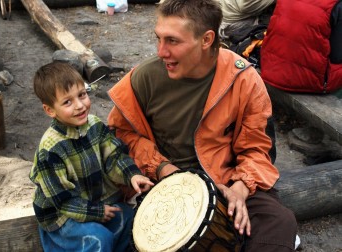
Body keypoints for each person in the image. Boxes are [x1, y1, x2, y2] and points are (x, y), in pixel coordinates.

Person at [107, 0, 297, 251]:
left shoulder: (242, 79)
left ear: (206, 40)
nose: (161, 51)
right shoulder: (145, 78)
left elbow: (258, 149)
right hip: (168, 187)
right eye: (158, 38)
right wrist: (163, 169)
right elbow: (120, 135)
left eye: (172, 41)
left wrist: (241, 188)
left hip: (227, 181)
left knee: (278, 223)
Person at [30, 61, 154, 252]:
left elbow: (114, 156)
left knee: (130, 218)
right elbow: (62, 201)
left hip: (96, 202)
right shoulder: (50, 150)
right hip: (64, 214)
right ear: (50, 110)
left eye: (82, 95)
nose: (80, 106)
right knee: (98, 239)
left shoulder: (94, 125)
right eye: (67, 102)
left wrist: (132, 175)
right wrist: (95, 213)